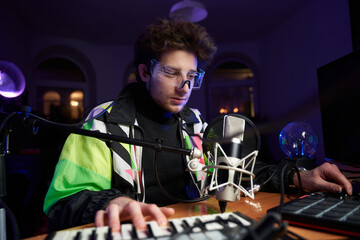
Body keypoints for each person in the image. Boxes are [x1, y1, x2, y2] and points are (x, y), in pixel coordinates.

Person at [43, 18, 352, 233]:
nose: (184, 86)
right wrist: (115, 202)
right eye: (171, 72)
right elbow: (61, 205)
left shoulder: (196, 125)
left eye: (192, 76)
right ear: (145, 72)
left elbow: (235, 173)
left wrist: (299, 175)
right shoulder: (101, 125)